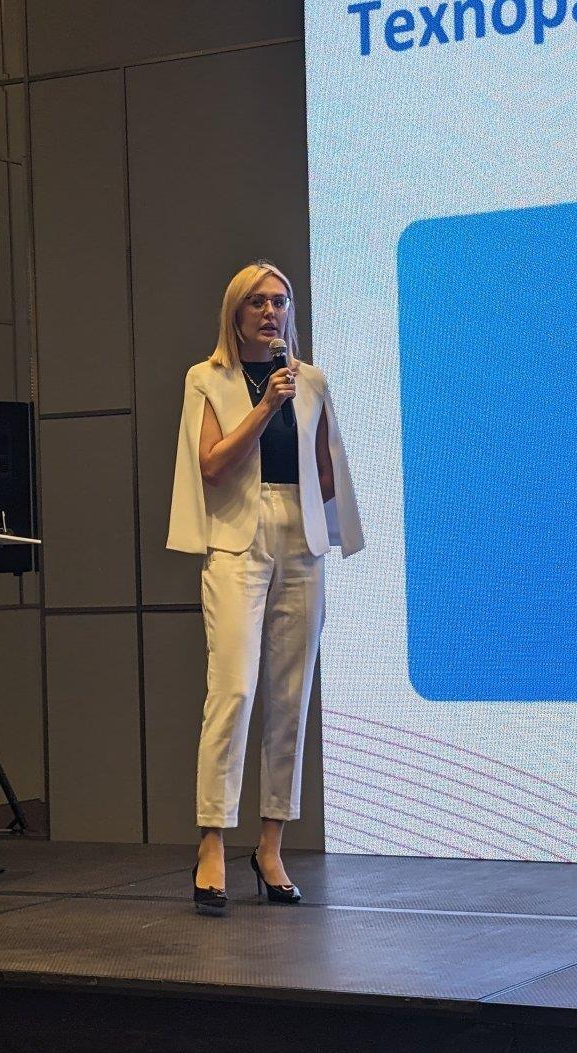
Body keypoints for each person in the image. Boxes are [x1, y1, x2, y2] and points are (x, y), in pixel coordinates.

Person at [167, 260, 364, 915]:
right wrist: (265, 407)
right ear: (235, 311)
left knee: (289, 696)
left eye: (280, 301)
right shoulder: (208, 378)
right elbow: (212, 466)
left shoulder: (311, 381)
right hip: (236, 540)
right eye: (257, 302)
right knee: (234, 688)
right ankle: (212, 843)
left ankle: (271, 846)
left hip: (299, 536)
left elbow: (329, 472)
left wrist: (312, 478)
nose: (270, 312)